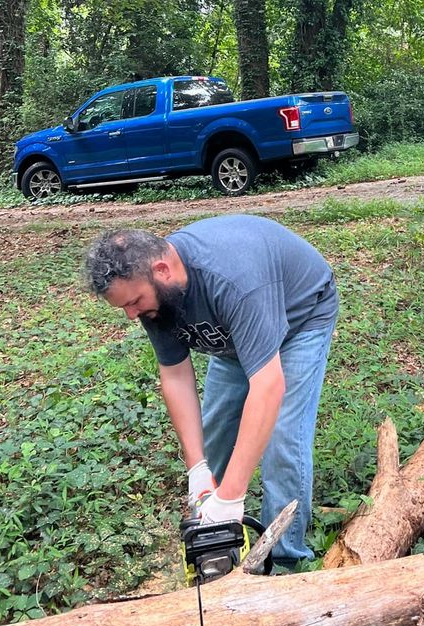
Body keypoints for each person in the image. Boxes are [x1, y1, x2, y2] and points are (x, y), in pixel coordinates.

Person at [82, 215, 338, 568]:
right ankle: (215, 548)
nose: (131, 315)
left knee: (282, 438)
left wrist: (232, 495)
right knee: (214, 434)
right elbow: (174, 376)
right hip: (233, 337)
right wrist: (197, 469)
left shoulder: (232, 279)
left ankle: (284, 561)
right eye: (125, 306)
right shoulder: (152, 294)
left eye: (134, 302)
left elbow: (268, 386)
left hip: (300, 320)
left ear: (162, 270)